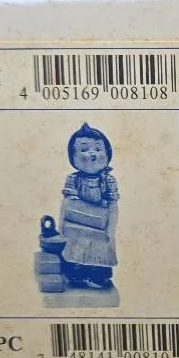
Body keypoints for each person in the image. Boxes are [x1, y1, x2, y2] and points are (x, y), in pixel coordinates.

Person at [59, 122, 119, 290]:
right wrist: (61, 227)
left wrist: (111, 228)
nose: (92, 154)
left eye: (98, 149)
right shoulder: (73, 179)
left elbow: (113, 204)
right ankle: (77, 272)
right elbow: (67, 203)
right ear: (73, 158)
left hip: (100, 223)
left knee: (100, 248)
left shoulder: (108, 180)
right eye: (84, 150)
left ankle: (98, 274)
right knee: (75, 246)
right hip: (77, 223)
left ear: (107, 154)